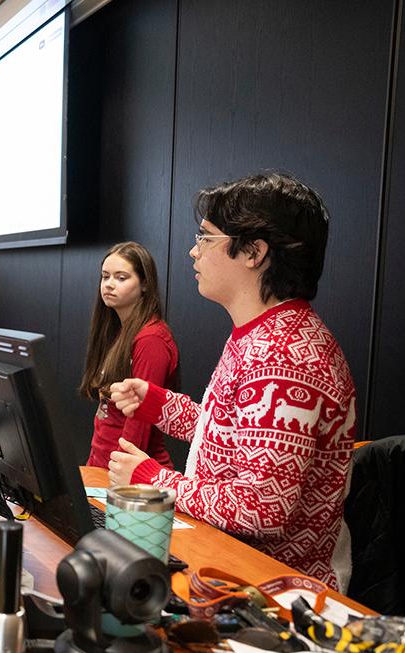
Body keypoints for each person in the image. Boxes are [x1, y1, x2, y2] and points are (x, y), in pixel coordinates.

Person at [107, 172, 356, 589]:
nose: (193, 251)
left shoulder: (283, 356)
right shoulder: (264, 333)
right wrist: (158, 404)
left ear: (254, 252)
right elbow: (236, 433)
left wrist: (153, 478)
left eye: (206, 238)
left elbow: (261, 508)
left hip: (274, 593)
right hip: (231, 569)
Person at [79, 242, 178, 470]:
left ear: (144, 284)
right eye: (105, 277)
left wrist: (116, 483)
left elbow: (138, 429)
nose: (109, 285)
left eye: (121, 278)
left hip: (130, 480)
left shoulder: (151, 339)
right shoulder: (117, 330)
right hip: (102, 469)